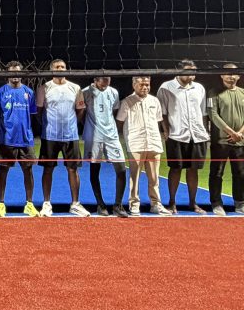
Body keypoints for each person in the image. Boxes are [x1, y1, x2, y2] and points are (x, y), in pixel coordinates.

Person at [36, 59, 89, 217]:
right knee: (48, 169)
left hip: (70, 136)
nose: (60, 69)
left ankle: (75, 203)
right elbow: (38, 111)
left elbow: (80, 110)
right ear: (51, 70)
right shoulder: (44, 88)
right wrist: (47, 125)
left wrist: (71, 124)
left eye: (63, 67)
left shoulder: (75, 88)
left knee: (73, 169)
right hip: (50, 136)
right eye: (57, 67)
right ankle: (47, 203)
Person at [156, 60, 210, 214]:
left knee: (193, 170)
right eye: (188, 71)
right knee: (175, 169)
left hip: (197, 135)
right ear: (179, 71)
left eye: (194, 71)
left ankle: (193, 203)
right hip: (177, 135)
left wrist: (206, 132)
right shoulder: (166, 87)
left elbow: (203, 112)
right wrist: (166, 132)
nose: (192, 74)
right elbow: (162, 113)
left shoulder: (199, 88)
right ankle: (172, 203)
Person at [116, 76, 172, 216]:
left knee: (154, 178)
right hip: (136, 143)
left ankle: (156, 204)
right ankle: (134, 204)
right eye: (141, 85)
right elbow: (120, 122)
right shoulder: (127, 102)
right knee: (134, 177)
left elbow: (158, 120)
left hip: (153, 143)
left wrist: (164, 134)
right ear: (134, 85)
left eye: (147, 84)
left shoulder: (154, 101)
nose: (145, 87)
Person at [0, 61, 39, 217]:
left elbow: (32, 114)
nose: (15, 75)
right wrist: (6, 125)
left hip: (26, 138)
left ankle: (29, 204)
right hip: (6, 139)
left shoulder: (29, 92)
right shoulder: (0, 92)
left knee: (28, 170)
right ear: (7, 74)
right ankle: (1, 204)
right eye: (12, 72)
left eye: (18, 72)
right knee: (3, 170)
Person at [81, 76, 129, 217]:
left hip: (111, 136)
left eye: (108, 79)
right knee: (95, 169)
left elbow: (113, 111)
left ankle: (118, 205)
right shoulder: (85, 92)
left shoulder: (113, 92)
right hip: (93, 136)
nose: (106, 83)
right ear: (96, 79)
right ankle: (100, 204)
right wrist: (89, 127)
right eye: (103, 80)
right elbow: (81, 113)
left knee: (121, 169)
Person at [207, 63, 244, 215]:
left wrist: (239, 133)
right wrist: (231, 132)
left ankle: (240, 203)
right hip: (220, 142)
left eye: (233, 74)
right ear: (222, 75)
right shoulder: (213, 93)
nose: (230, 76)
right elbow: (213, 115)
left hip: (240, 141)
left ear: (238, 76)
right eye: (227, 73)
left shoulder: (243, 93)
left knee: (240, 174)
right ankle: (216, 203)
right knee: (217, 173)